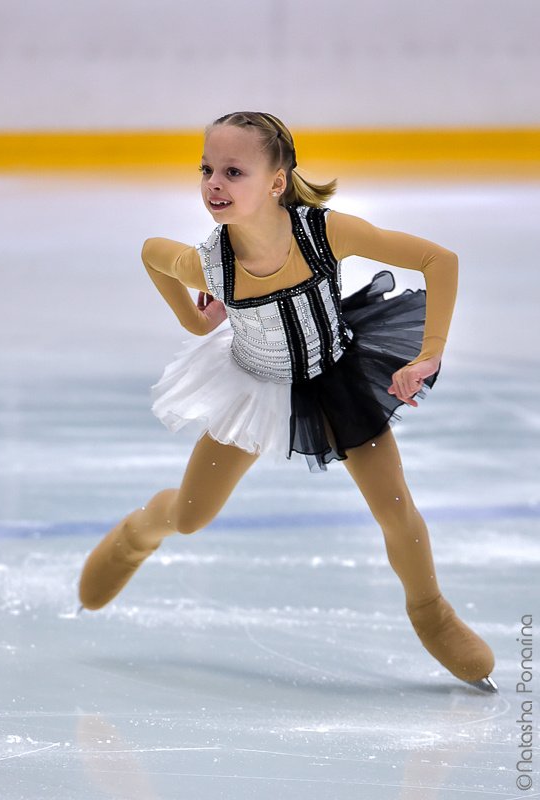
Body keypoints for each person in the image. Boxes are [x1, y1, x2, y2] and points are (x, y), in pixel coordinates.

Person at [78, 111, 496, 692]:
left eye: (232, 171)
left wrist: (429, 353)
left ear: (277, 183)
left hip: (337, 375)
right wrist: (195, 323)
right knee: (192, 517)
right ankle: (139, 531)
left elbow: (438, 260)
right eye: (206, 169)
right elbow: (153, 252)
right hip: (252, 386)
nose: (213, 184)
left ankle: (431, 613)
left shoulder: (325, 232)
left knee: (394, 507)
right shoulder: (210, 262)